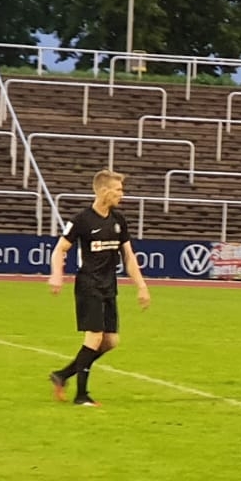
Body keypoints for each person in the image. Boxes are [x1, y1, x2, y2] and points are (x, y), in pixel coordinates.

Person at [46, 169, 152, 407]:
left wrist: (142, 286)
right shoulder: (82, 220)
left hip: (109, 285)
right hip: (88, 285)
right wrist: (56, 275)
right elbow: (60, 249)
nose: (122, 194)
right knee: (94, 337)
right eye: (118, 190)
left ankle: (62, 375)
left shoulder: (118, 220)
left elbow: (129, 256)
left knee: (111, 341)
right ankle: (81, 396)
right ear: (104, 191)